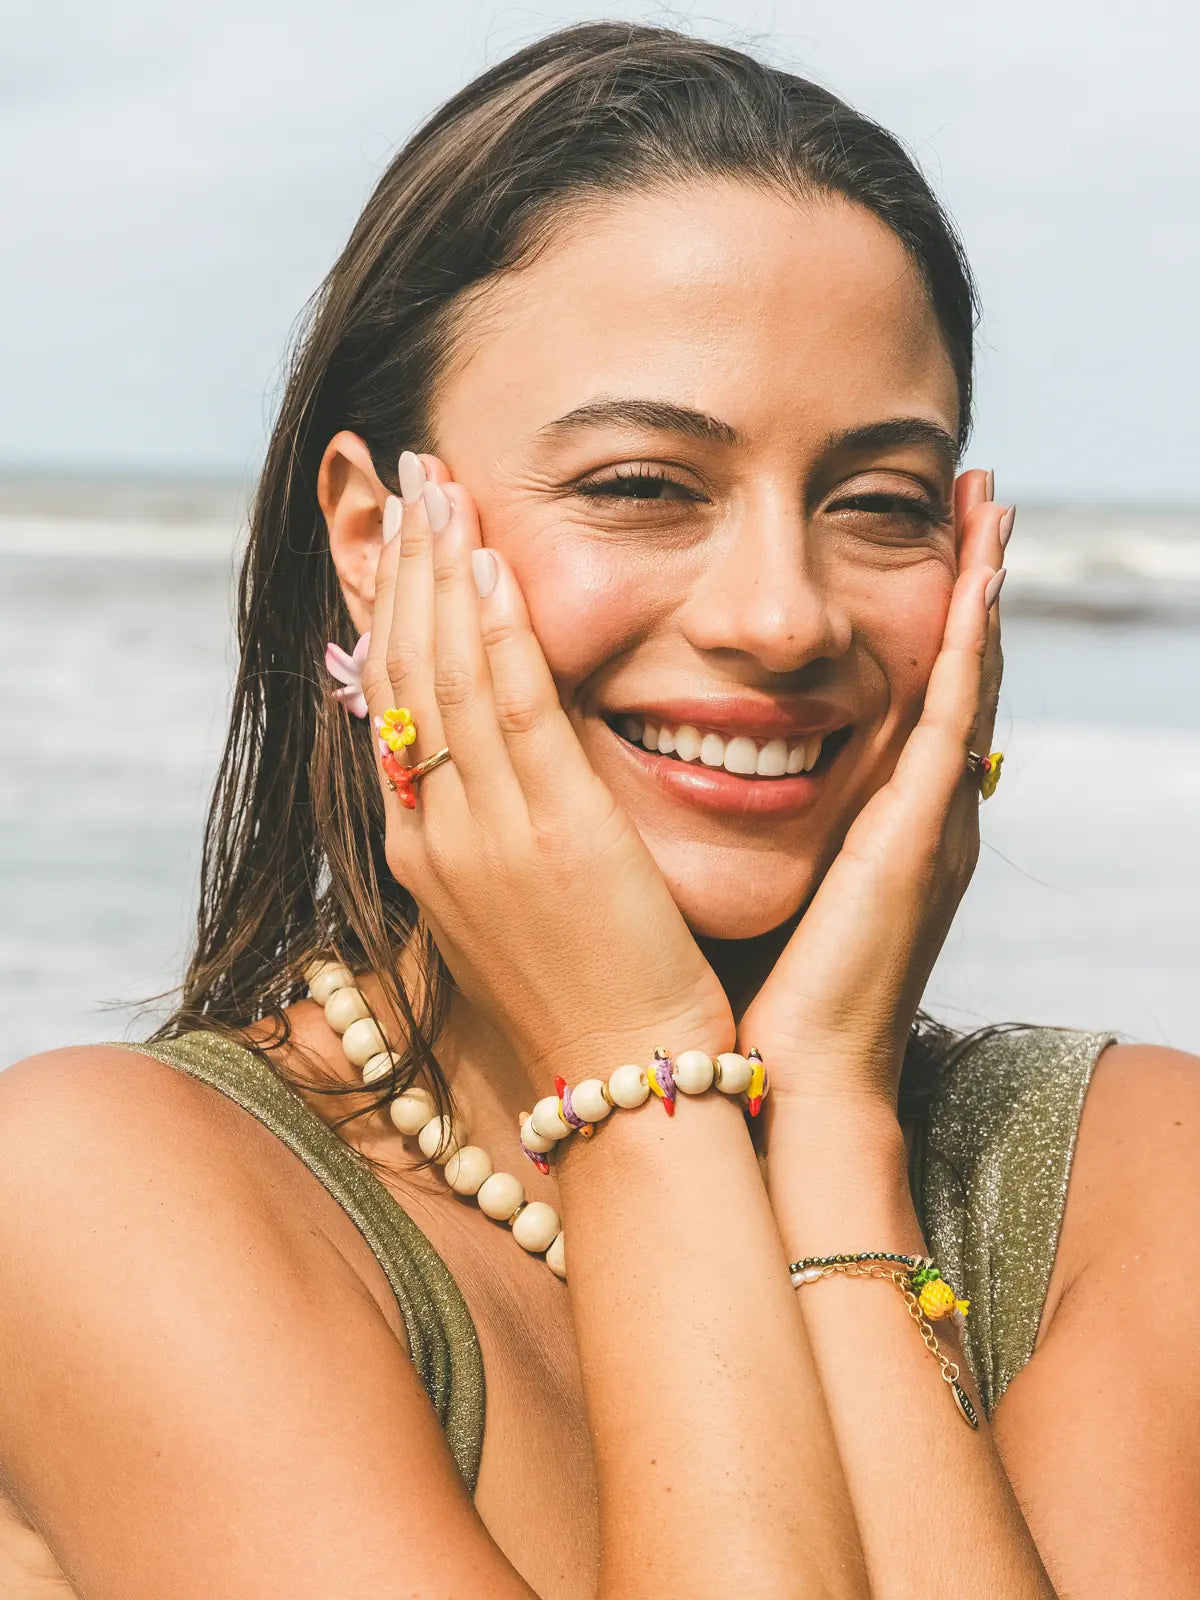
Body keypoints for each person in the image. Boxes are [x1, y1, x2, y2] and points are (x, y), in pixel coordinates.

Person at [0, 21, 1195, 1598]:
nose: (781, 617)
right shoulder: (109, 1192)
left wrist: (834, 1129)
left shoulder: (1135, 1179)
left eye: (881, 504)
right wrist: (640, 1080)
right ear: (370, 539)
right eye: (642, 486)